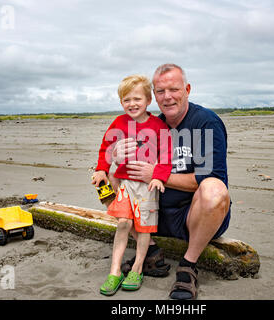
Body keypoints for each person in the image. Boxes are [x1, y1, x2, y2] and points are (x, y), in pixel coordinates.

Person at [112, 64, 231, 300]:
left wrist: (158, 174)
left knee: (214, 189)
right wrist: (116, 157)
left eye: (174, 89)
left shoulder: (206, 122)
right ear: (153, 96)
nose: (167, 97)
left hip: (193, 217)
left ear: (187, 89)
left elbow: (212, 178)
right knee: (110, 179)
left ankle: (188, 265)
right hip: (155, 214)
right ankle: (152, 252)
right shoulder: (152, 125)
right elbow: (130, 171)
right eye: (160, 91)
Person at [92, 74, 172, 296]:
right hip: (125, 183)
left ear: (148, 100)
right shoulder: (118, 123)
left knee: (144, 227)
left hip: (146, 187)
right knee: (124, 223)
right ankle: (115, 271)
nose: (132, 104)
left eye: (137, 99)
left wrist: (159, 177)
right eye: (126, 100)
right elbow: (105, 147)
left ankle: (137, 267)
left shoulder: (157, 125)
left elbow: (166, 157)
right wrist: (101, 169)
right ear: (121, 102)